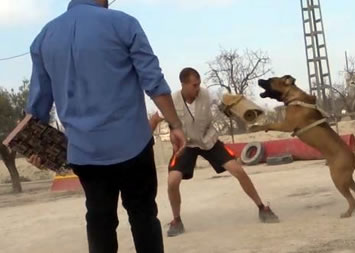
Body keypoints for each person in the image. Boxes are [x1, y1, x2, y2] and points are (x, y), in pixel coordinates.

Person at [26, 0, 186, 252]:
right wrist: (175, 125)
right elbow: (153, 81)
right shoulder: (123, 23)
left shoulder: (44, 38)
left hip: (84, 153)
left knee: (100, 221)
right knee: (143, 217)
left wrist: (37, 149)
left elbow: (37, 106)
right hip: (133, 145)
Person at [149, 67, 279, 237]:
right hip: (186, 144)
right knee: (173, 181)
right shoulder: (172, 100)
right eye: (194, 85)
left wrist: (243, 110)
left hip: (208, 140)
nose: (198, 88)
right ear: (184, 85)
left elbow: (225, 106)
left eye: (199, 84)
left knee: (238, 170)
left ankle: (262, 208)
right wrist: (145, 139)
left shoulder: (206, 95)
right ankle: (177, 220)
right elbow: (155, 119)